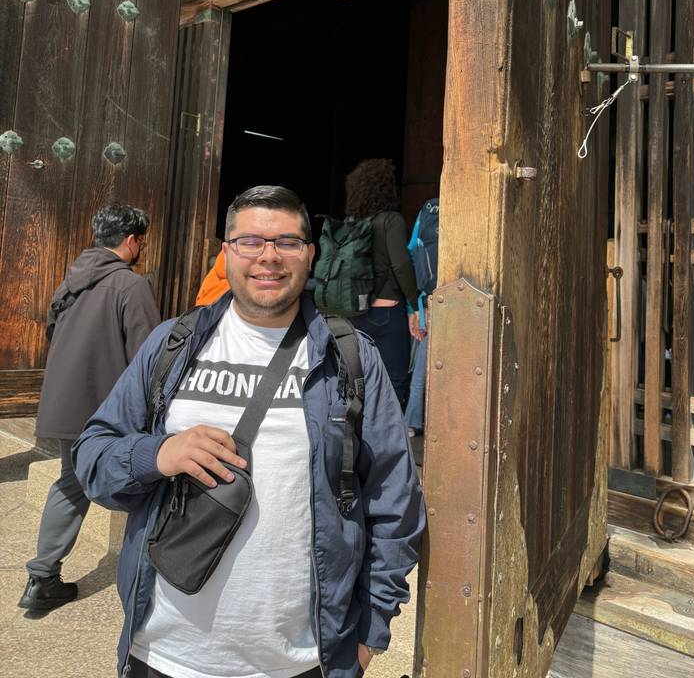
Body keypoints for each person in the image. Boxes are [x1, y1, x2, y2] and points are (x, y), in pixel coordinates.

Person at [73, 185, 425, 678]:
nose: (269, 257)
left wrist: (369, 636)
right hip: (163, 653)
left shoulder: (351, 357)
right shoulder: (173, 343)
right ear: (227, 252)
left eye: (286, 242)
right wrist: (157, 453)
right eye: (251, 242)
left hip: (299, 660)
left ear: (310, 255)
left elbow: (395, 499)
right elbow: (92, 457)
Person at [20, 203, 161, 612]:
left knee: (72, 481)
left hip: (65, 405)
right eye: (142, 241)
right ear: (132, 241)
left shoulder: (72, 280)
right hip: (106, 410)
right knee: (142, 479)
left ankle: (43, 576)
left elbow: (50, 328)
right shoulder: (130, 285)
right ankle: (148, 576)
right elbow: (150, 353)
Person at [343, 160, 422, 408]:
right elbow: (400, 265)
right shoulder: (391, 220)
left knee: (358, 382)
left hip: (354, 313)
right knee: (394, 381)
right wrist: (415, 304)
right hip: (387, 312)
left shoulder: (350, 223)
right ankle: (388, 442)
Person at [404, 198, 439, 437]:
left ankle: (412, 421)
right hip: (456, 294)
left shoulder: (428, 208)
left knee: (422, 366)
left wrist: (413, 307)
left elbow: (412, 250)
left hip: (429, 298)